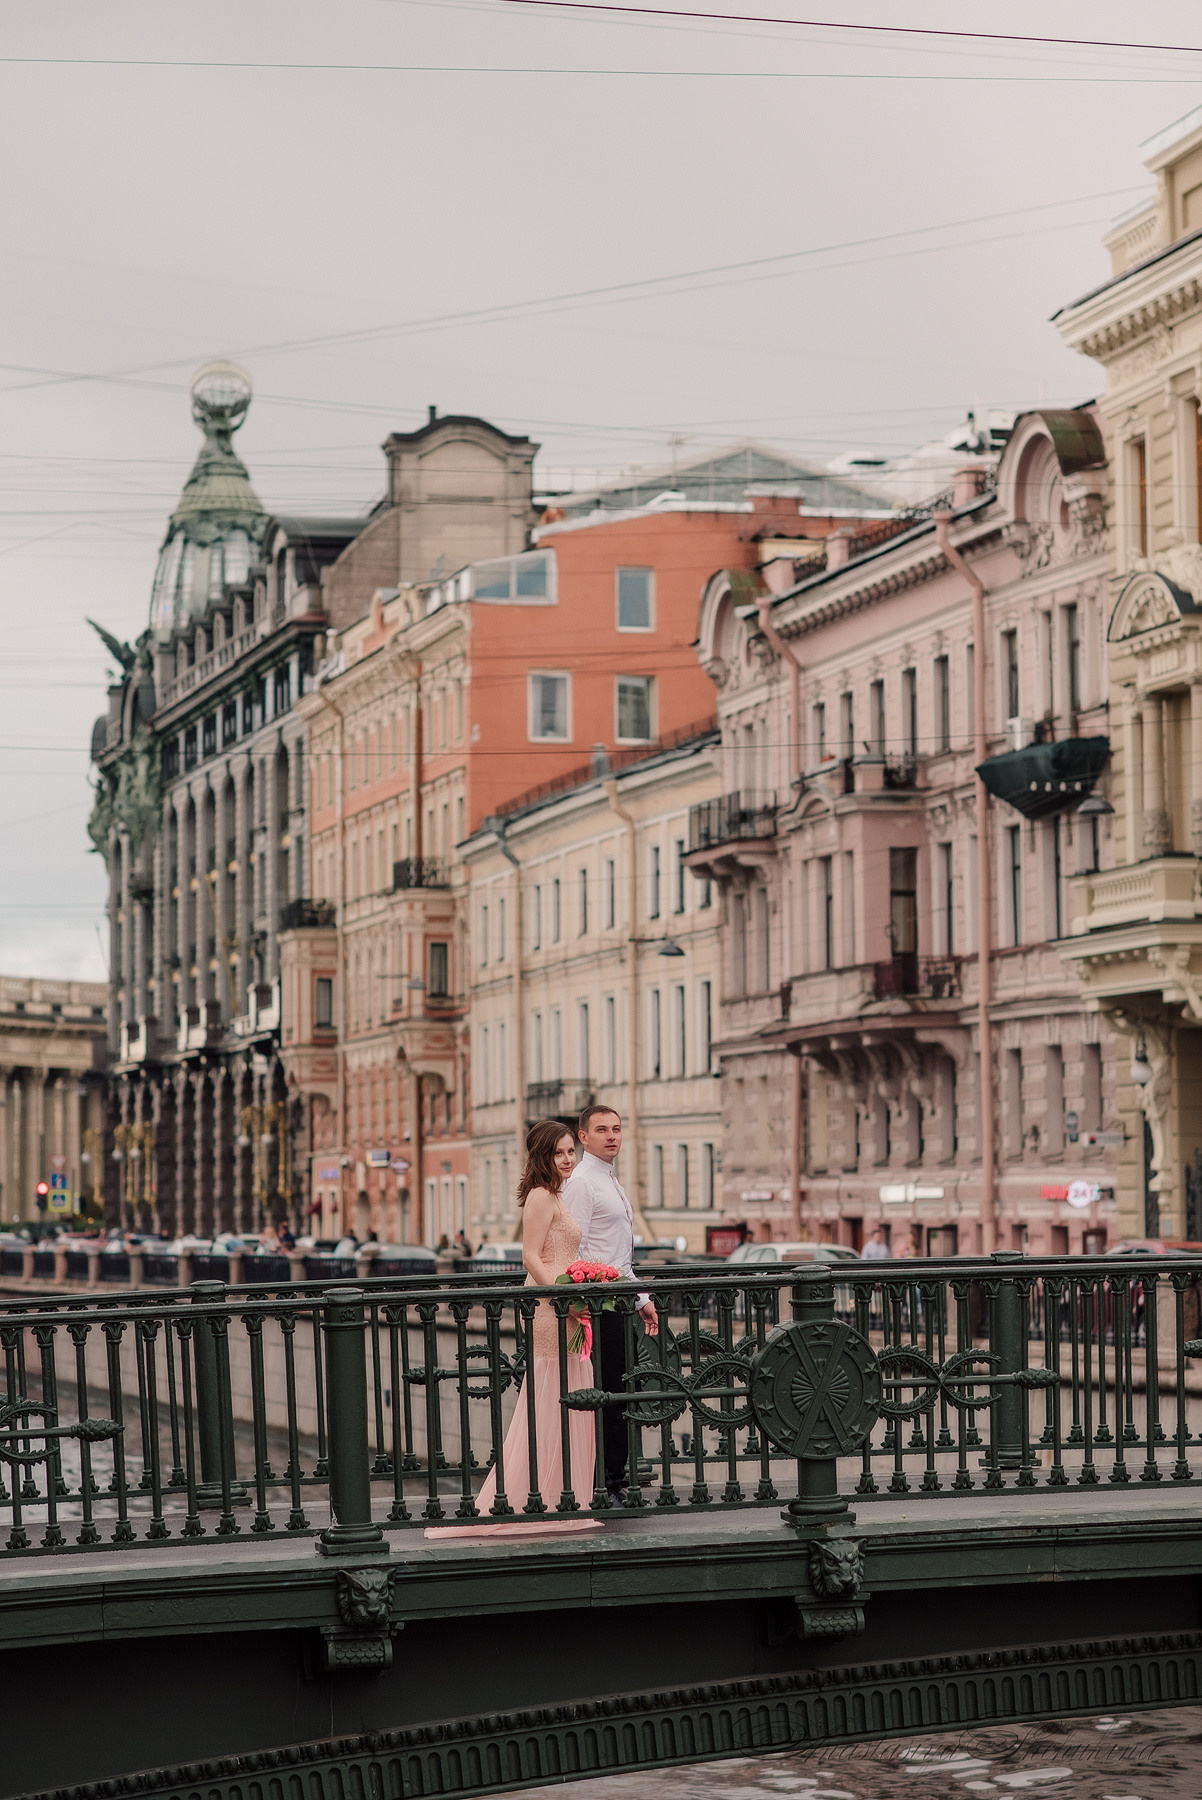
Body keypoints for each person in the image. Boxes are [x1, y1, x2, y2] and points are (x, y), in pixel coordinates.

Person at [428, 1121, 599, 1539]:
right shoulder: (542, 1196)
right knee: (552, 1394)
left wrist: (582, 1289)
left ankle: (568, 1495)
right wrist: (562, 1299)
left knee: (571, 1391)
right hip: (550, 1308)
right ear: (542, 1156)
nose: (567, 1159)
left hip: (567, 1304)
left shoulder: (559, 1193)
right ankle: (542, 1497)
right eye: (559, 1153)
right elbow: (531, 1258)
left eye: (570, 1152)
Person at [561, 1105, 658, 1505]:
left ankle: (612, 1478)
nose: (612, 1136)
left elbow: (619, 1258)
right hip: (598, 1307)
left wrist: (642, 1300)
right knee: (607, 1394)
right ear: (583, 1137)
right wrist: (581, 1301)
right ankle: (608, 1483)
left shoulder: (608, 1180)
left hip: (616, 1300)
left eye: (617, 1129)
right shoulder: (584, 1182)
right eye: (602, 1130)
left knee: (616, 1392)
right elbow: (574, 1247)